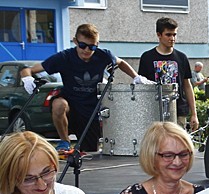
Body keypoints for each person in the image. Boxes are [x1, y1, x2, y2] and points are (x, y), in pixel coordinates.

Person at [20, 24, 149, 153]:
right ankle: (65, 141)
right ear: (75, 41)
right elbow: (28, 69)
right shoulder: (64, 57)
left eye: (92, 47)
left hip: (90, 108)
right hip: (70, 105)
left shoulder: (103, 55)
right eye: (82, 46)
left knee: (90, 150)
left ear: (97, 44)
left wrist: (136, 77)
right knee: (59, 104)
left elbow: (120, 62)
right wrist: (27, 78)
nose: (87, 50)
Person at [138, 17, 199, 131]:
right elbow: (142, 88)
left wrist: (194, 114)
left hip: (178, 111)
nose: (172, 38)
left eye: (174, 35)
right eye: (168, 35)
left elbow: (187, 85)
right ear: (159, 35)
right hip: (154, 111)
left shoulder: (182, 57)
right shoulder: (147, 57)